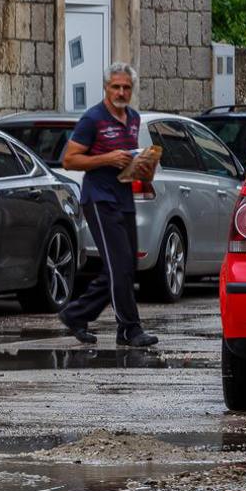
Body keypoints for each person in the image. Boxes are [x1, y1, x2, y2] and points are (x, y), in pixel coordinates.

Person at [58, 61, 159, 348]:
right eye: (116, 86)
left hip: (124, 197)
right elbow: (69, 159)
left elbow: (127, 160)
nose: (121, 92)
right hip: (99, 199)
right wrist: (107, 158)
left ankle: (76, 313)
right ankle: (130, 328)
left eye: (126, 87)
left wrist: (143, 166)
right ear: (106, 87)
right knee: (119, 266)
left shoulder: (135, 118)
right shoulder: (93, 119)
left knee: (125, 266)